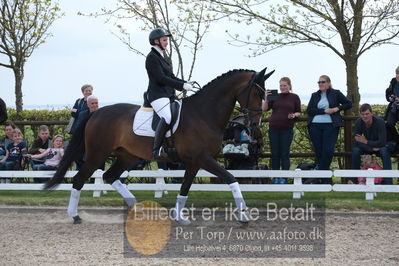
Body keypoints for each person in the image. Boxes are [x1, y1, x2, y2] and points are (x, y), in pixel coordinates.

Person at [145, 28, 194, 159]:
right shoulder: (151, 58)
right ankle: (156, 150)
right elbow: (161, 78)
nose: (167, 42)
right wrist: (182, 86)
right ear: (156, 41)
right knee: (167, 116)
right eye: (164, 40)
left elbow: (171, 76)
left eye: (167, 40)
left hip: (168, 94)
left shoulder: (164, 57)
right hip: (157, 95)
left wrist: (186, 82)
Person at [307, 75, 352, 184]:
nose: (320, 84)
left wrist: (336, 108)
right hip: (315, 126)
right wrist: (324, 111)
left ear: (328, 83)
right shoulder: (314, 95)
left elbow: (348, 103)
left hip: (330, 125)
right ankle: (324, 179)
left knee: (328, 151)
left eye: (323, 82)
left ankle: (321, 177)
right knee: (319, 152)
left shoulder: (336, 93)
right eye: (319, 82)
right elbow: (310, 110)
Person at [262, 77, 301, 184]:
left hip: (287, 129)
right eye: (281, 85)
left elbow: (299, 112)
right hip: (273, 128)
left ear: (289, 86)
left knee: (284, 154)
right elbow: (264, 109)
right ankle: (275, 177)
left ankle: (284, 177)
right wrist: (266, 98)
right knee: (275, 154)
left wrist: (294, 115)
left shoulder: (294, 97)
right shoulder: (275, 96)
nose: (282, 87)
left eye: (284, 85)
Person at [351, 103, 392, 184]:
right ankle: (354, 180)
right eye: (362, 114)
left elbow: (382, 142)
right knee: (356, 150)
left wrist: (366, 142)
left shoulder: (379, 122)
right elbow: (357, 141)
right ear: (360, 115)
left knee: (384, 151)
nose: (365, 116)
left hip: (382, 146)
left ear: (372, 113)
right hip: (370, 147)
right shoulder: (359, 122)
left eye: (367, 114)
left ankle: (388, 181)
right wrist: (370, 148)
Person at [73, 95, 99, 170]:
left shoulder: (102, 113)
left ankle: (94, 178)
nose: (95, 105)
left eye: (96, 103)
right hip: (85, 139)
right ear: (88, 105)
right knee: (76, 154)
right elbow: (79, 128)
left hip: (99, 141)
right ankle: (84, 171)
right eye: (92, 103)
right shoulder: (82, 114)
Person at [384, 66, 399, 143]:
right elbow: (388, 92)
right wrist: (389, 98)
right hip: (393, 108)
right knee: (389, 125)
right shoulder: (393, 81)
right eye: (397, 73)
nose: (398, 75)